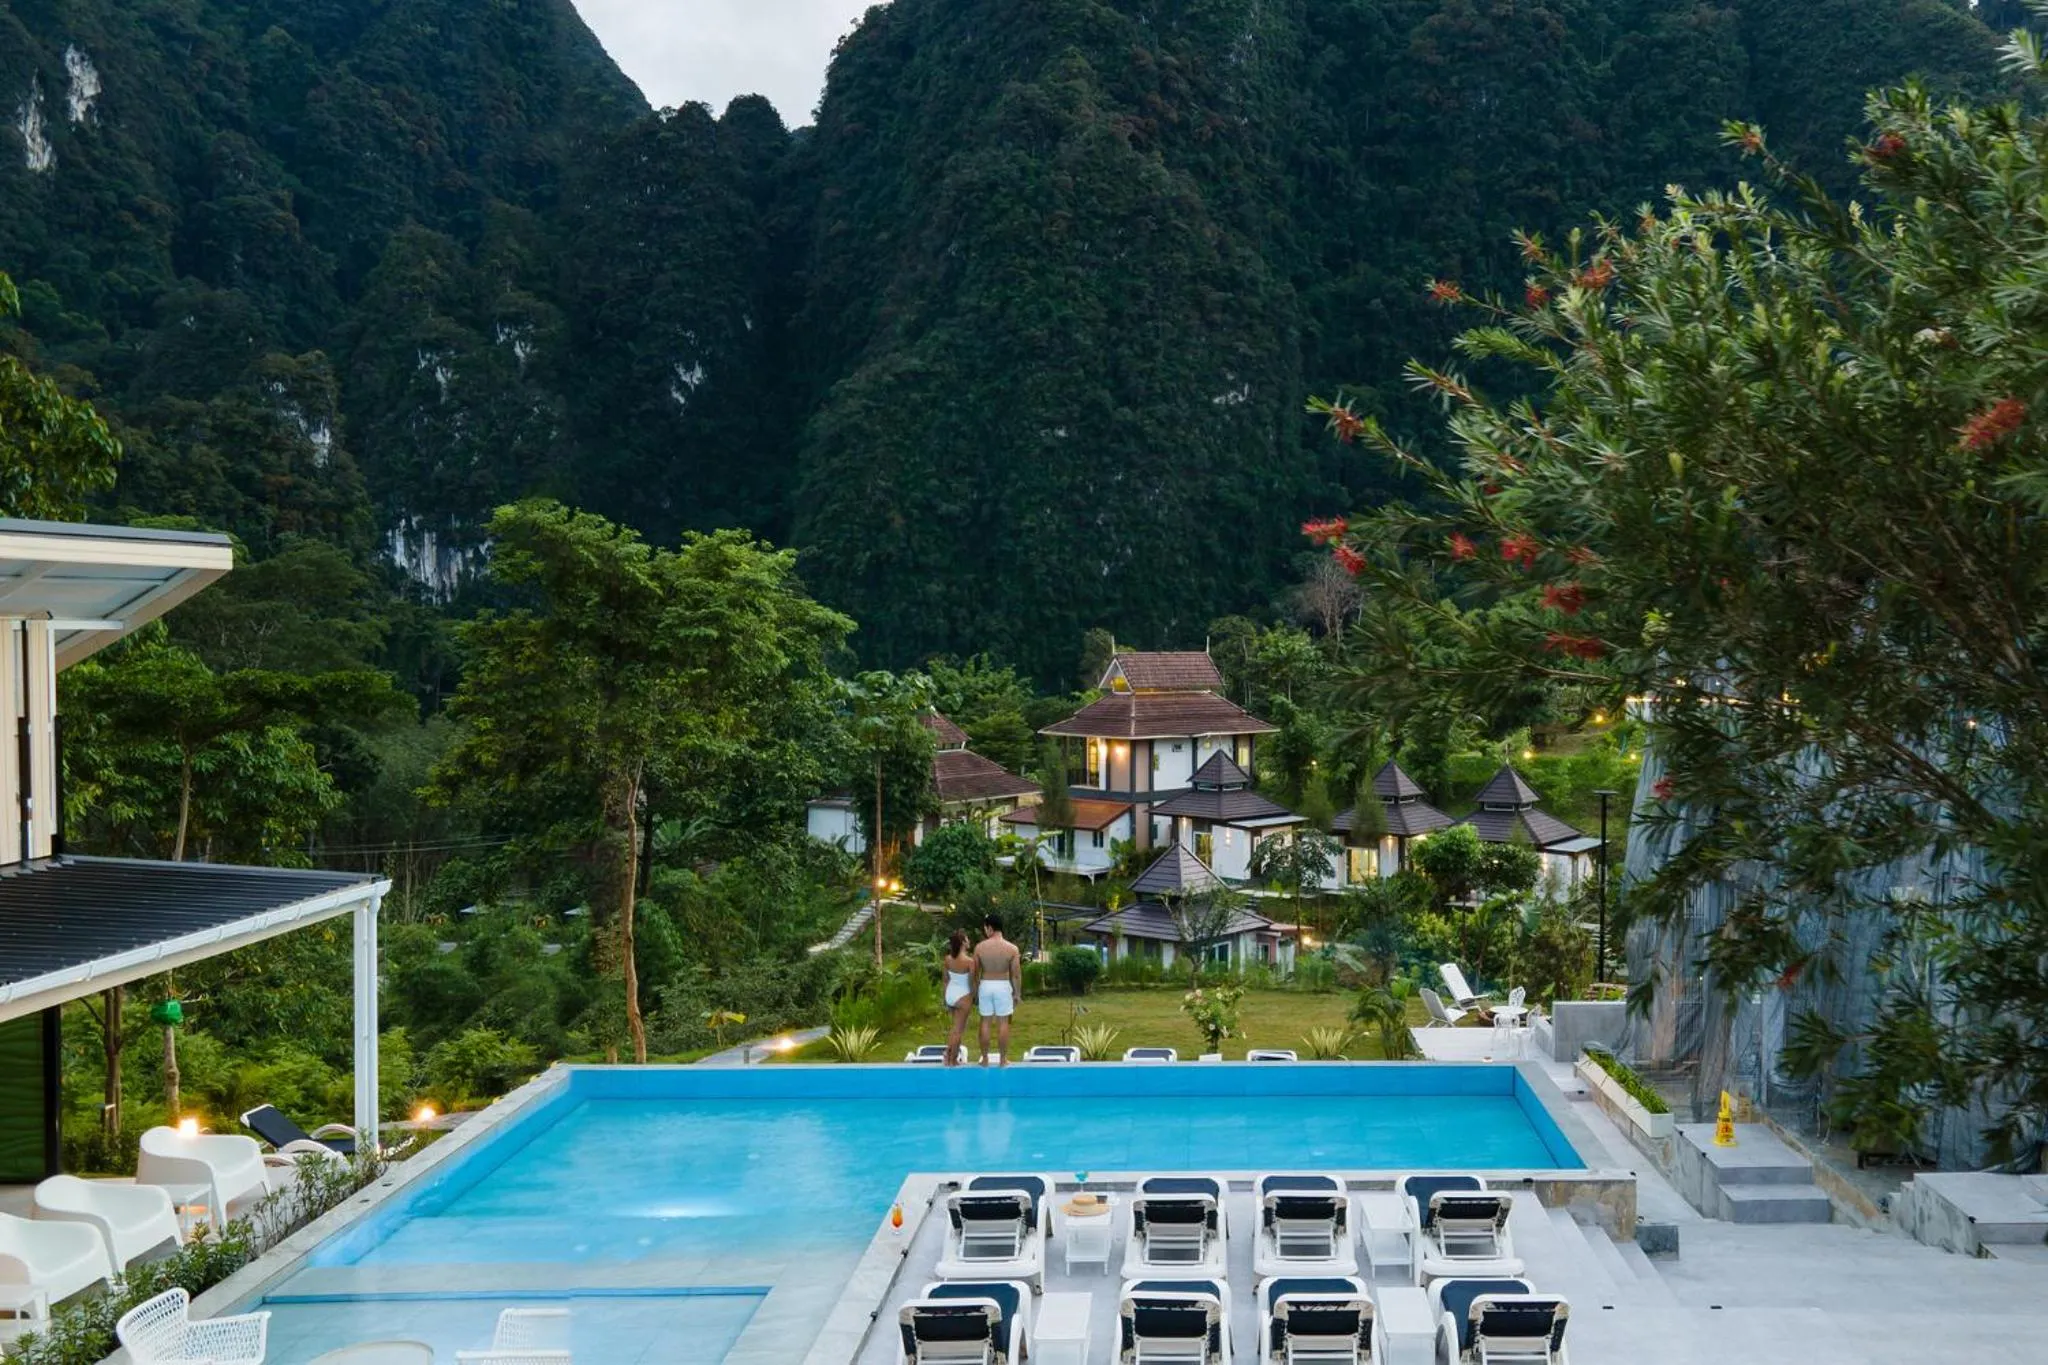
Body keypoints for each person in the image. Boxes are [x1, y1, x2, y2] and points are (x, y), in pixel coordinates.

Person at [972, 911, 1023, 1066]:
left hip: (986, 984)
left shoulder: (980, 947)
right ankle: (1002, 1059)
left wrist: (975, 991)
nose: (984, 931)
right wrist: (1017, 993)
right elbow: (1016, 975)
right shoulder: (1012, 948)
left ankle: (985, 1059)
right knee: (1003, 1023)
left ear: (990, 928)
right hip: (1002, 986)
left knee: (985, 1022)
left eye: (985, 928)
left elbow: (975, 973)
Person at [941, 929, 975, 1066]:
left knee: (955, 1029)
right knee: (958, 1031)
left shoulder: (948, 959)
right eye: (967, 939)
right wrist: (974, 996)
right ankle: (950, 1059)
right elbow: (972, 983)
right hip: (962, 995)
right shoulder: (969, 961)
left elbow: (945, 979)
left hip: (950, 994)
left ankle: (950, 1056)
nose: (969, 941)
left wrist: (945, 997)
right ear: (962, 943)